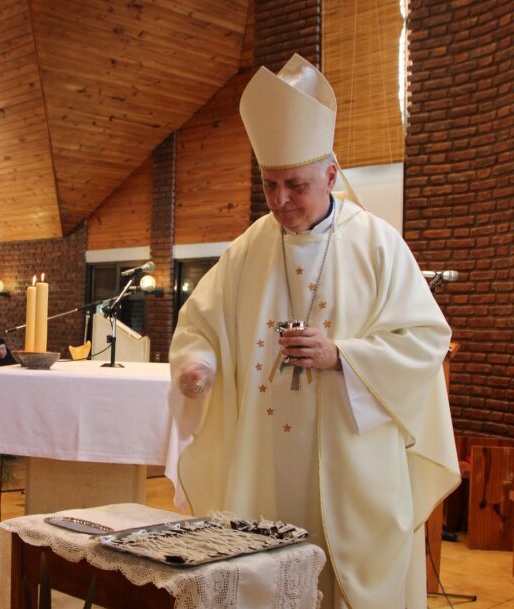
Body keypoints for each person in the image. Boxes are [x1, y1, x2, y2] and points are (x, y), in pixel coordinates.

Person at [166, 54, 460, 609]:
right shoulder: (250, 246)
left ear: (330, 174)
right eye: (269, 185)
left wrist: (341, 355)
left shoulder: (377, 244)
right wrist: (198, 364)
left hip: (352, 461)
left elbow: (424, 339)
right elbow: (200, 320)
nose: (279, 201)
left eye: (295, 185)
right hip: (264, 460)